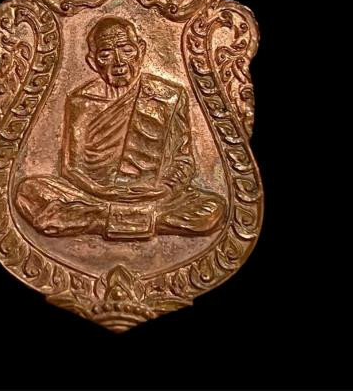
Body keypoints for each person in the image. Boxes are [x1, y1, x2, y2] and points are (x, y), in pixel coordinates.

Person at [14, 16, 226, 239]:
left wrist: (165, 189)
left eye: (127, 50)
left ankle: (98, 221)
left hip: (152, 197)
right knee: (29, 191)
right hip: (93, 196)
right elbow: (71, 168)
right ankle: (144, 220)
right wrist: (102, 191)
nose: (118, 62)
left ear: (141, 50)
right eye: (105, 55)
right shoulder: (81, 101)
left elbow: (183, 160)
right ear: (92, 61)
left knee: (212, 209)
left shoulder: (170, 96)